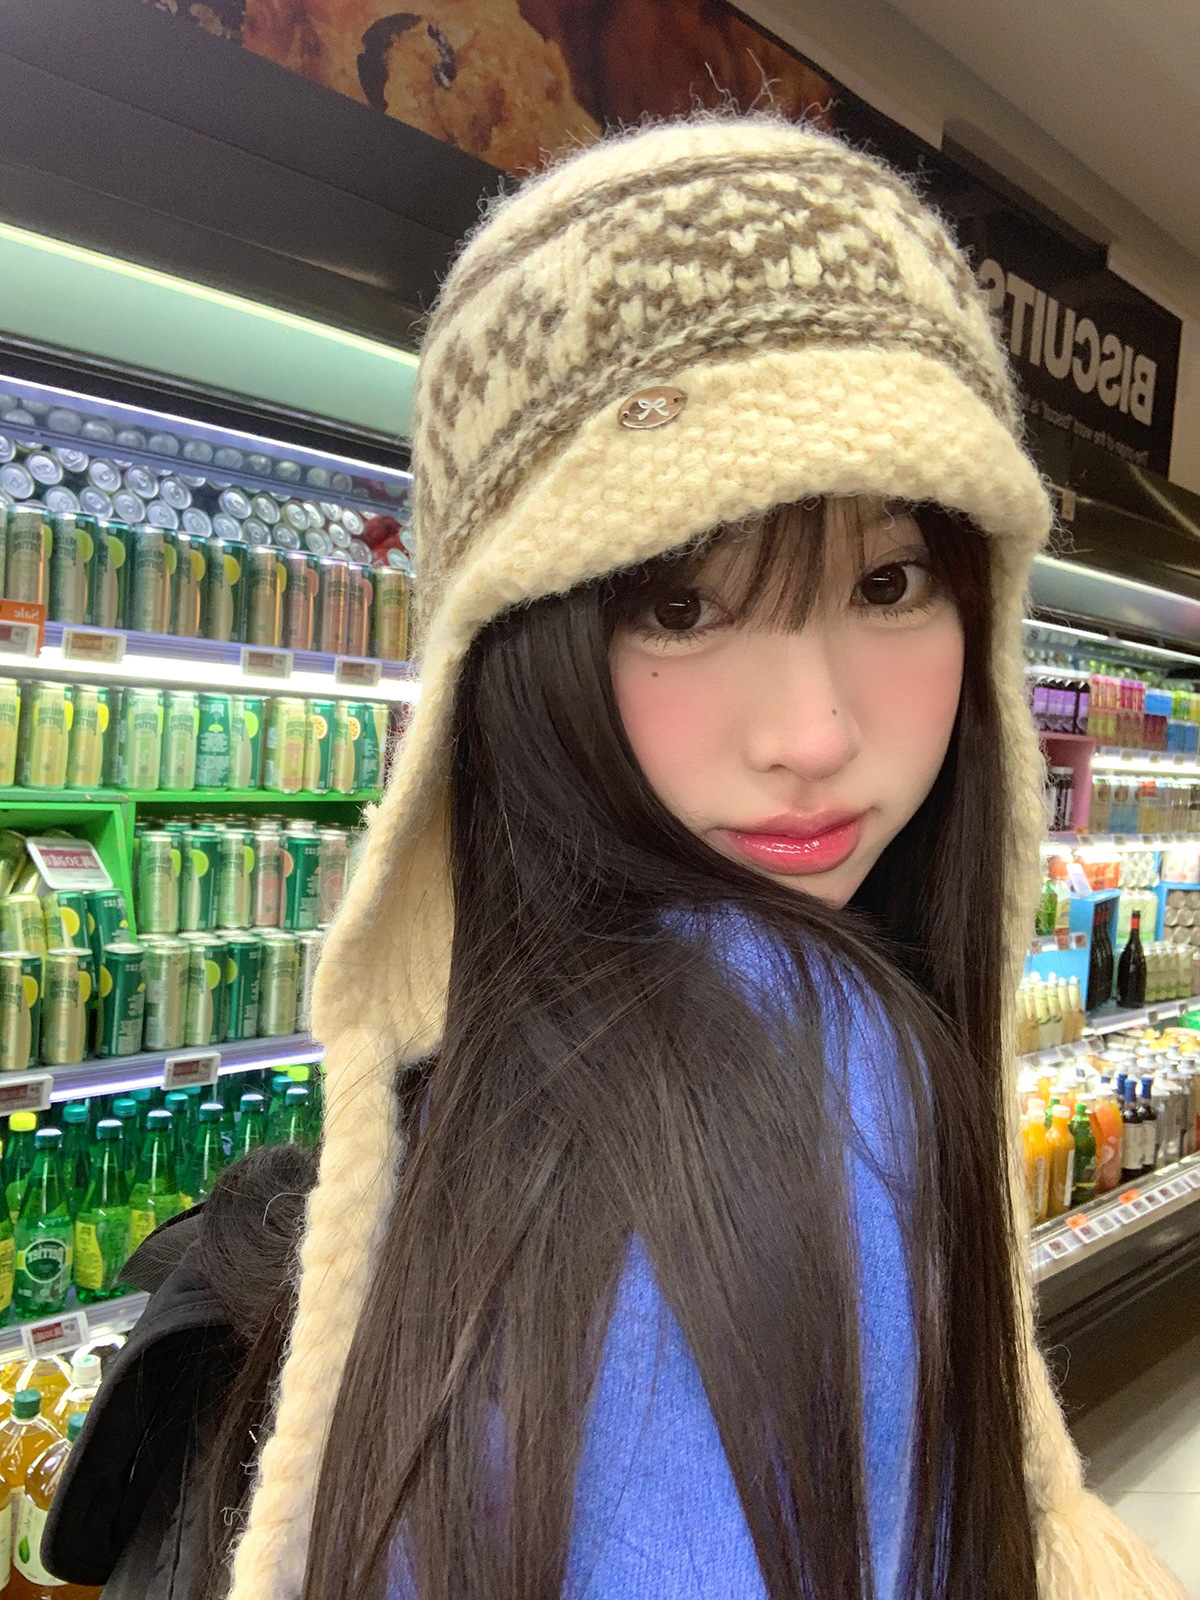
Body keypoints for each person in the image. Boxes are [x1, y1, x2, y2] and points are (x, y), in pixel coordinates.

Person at [51, 116, 1188, 1600]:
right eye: (680, 606)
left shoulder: (518, 1063)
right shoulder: (813, 1047)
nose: (811, 732)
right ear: (515, 647)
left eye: (889, 580)